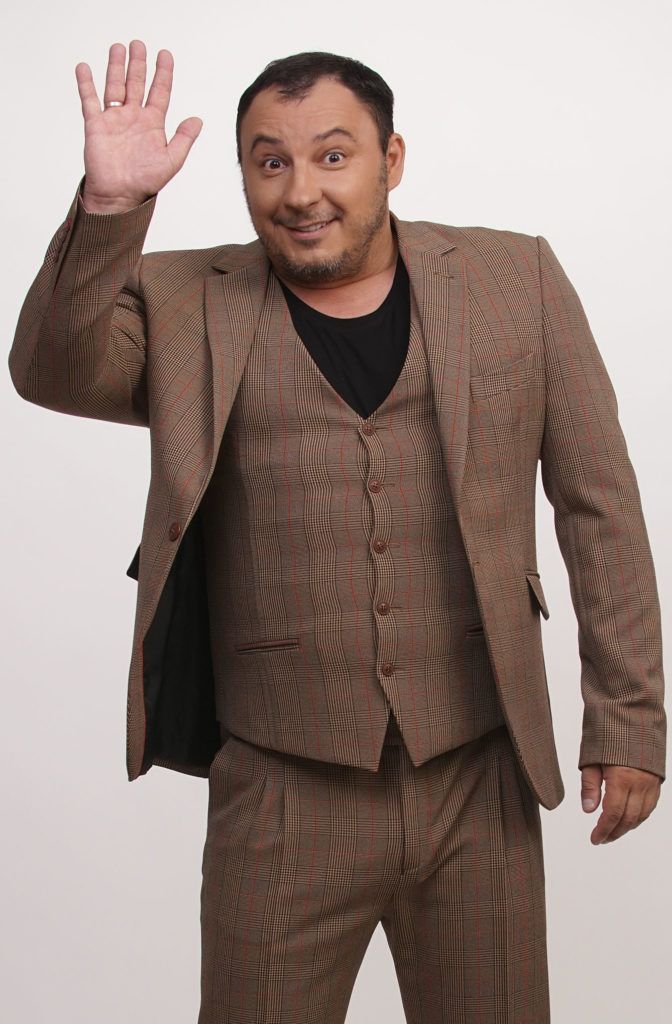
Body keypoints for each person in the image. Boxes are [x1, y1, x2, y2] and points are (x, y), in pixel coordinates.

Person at [8, 39, 666, 1024]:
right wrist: (110, 211)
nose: (301, 191)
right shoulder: (185, 299)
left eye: (332, 155)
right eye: (270, 161)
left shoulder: (515, 280)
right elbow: (52, 370)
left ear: (390, 159)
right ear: (242, 175)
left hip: (477, 771)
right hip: (279, 788)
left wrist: (629, 718)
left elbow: (600, 504)